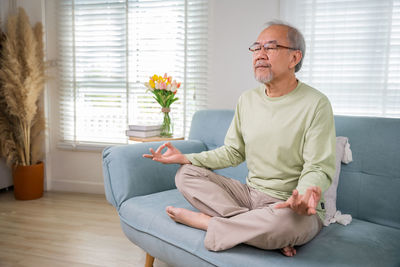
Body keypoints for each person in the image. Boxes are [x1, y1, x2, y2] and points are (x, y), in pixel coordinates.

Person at [143, 20, 336, 257]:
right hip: (249, 195)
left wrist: (305, 194)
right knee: (186, 173)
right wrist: (185, 157)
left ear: (294, 58)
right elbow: (233, 152)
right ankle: (256, 231)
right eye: (256, 48)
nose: (259, 55)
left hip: (290, 205)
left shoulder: (316, 103)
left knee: (284, 223)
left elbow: (318, 165)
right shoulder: (247, 99)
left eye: (270, 47)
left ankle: (207, 223)